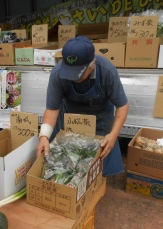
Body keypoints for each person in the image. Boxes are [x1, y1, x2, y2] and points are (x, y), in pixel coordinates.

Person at [36, 36, 129, 177]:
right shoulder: (57, 74)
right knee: (67, 159)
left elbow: (122, 105)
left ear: (93, 64)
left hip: (100, 115)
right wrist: (44, 136)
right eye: (70, 73)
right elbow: (52, 109)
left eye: (78, 74)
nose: (73, 78)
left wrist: (114, 135)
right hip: (70, 115)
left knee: (100, 159)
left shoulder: (107, 72)